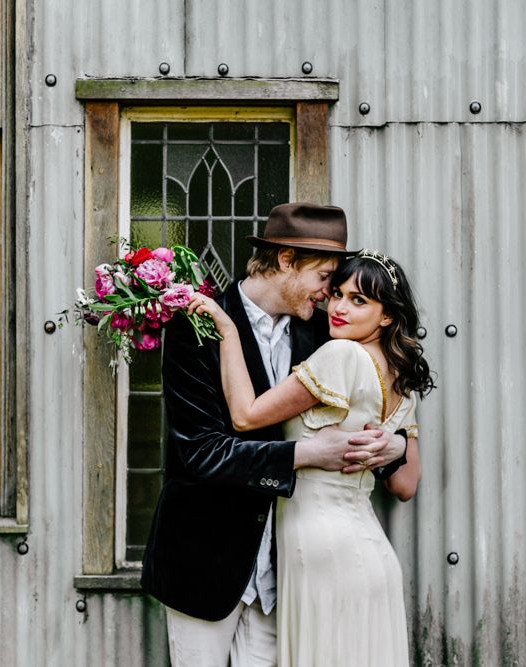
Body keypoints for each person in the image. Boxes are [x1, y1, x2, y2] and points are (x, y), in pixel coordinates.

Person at [140, 203, 412, 666]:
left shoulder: (325, 334)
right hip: (206, 561)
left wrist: (395, 446)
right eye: (325, 277)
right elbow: (203, 453)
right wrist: (304, 454)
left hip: (288, 573)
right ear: (286, 260)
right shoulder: (199, 325)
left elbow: (365, 416)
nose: (331, 295)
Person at [190, 249, 435, 666]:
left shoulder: (340, 355)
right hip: (370, 551)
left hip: (321, 546)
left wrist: (229, 331)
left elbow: (246, 416)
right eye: (336, 293)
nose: (338, 308)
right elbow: (405, 484)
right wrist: (392, 445)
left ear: (388, 316)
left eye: (359, 300)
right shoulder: (401, 377)